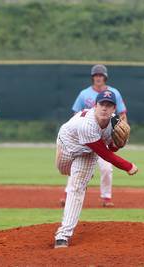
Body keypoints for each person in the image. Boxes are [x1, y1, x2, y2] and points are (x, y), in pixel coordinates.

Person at [54, 90, 138, 248]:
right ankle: (82, 175)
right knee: (63, 171)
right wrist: (128, 166)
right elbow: (105, 154)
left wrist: (117, 145)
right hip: (67, 146)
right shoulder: (87, 124)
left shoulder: (114, 123)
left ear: (114, 109)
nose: (105, 108)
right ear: (95, 105)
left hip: (88, 154)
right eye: (102, 104)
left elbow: (110, 149)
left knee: (76, 187)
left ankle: (63, 235)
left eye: (109, 105)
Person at [60, 64, 128, 208]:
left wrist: (121, 133)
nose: (98, 77)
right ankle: (68, 193)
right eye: (96, 75)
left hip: (104, 138)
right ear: (92, 77)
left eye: (101, 75)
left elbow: (121, 114)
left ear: (105, 77)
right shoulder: (84, 94)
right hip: (86, 139)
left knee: (106, 168)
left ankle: (106, 197)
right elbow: (76, 114)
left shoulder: (114, 92)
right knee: (76, 166)